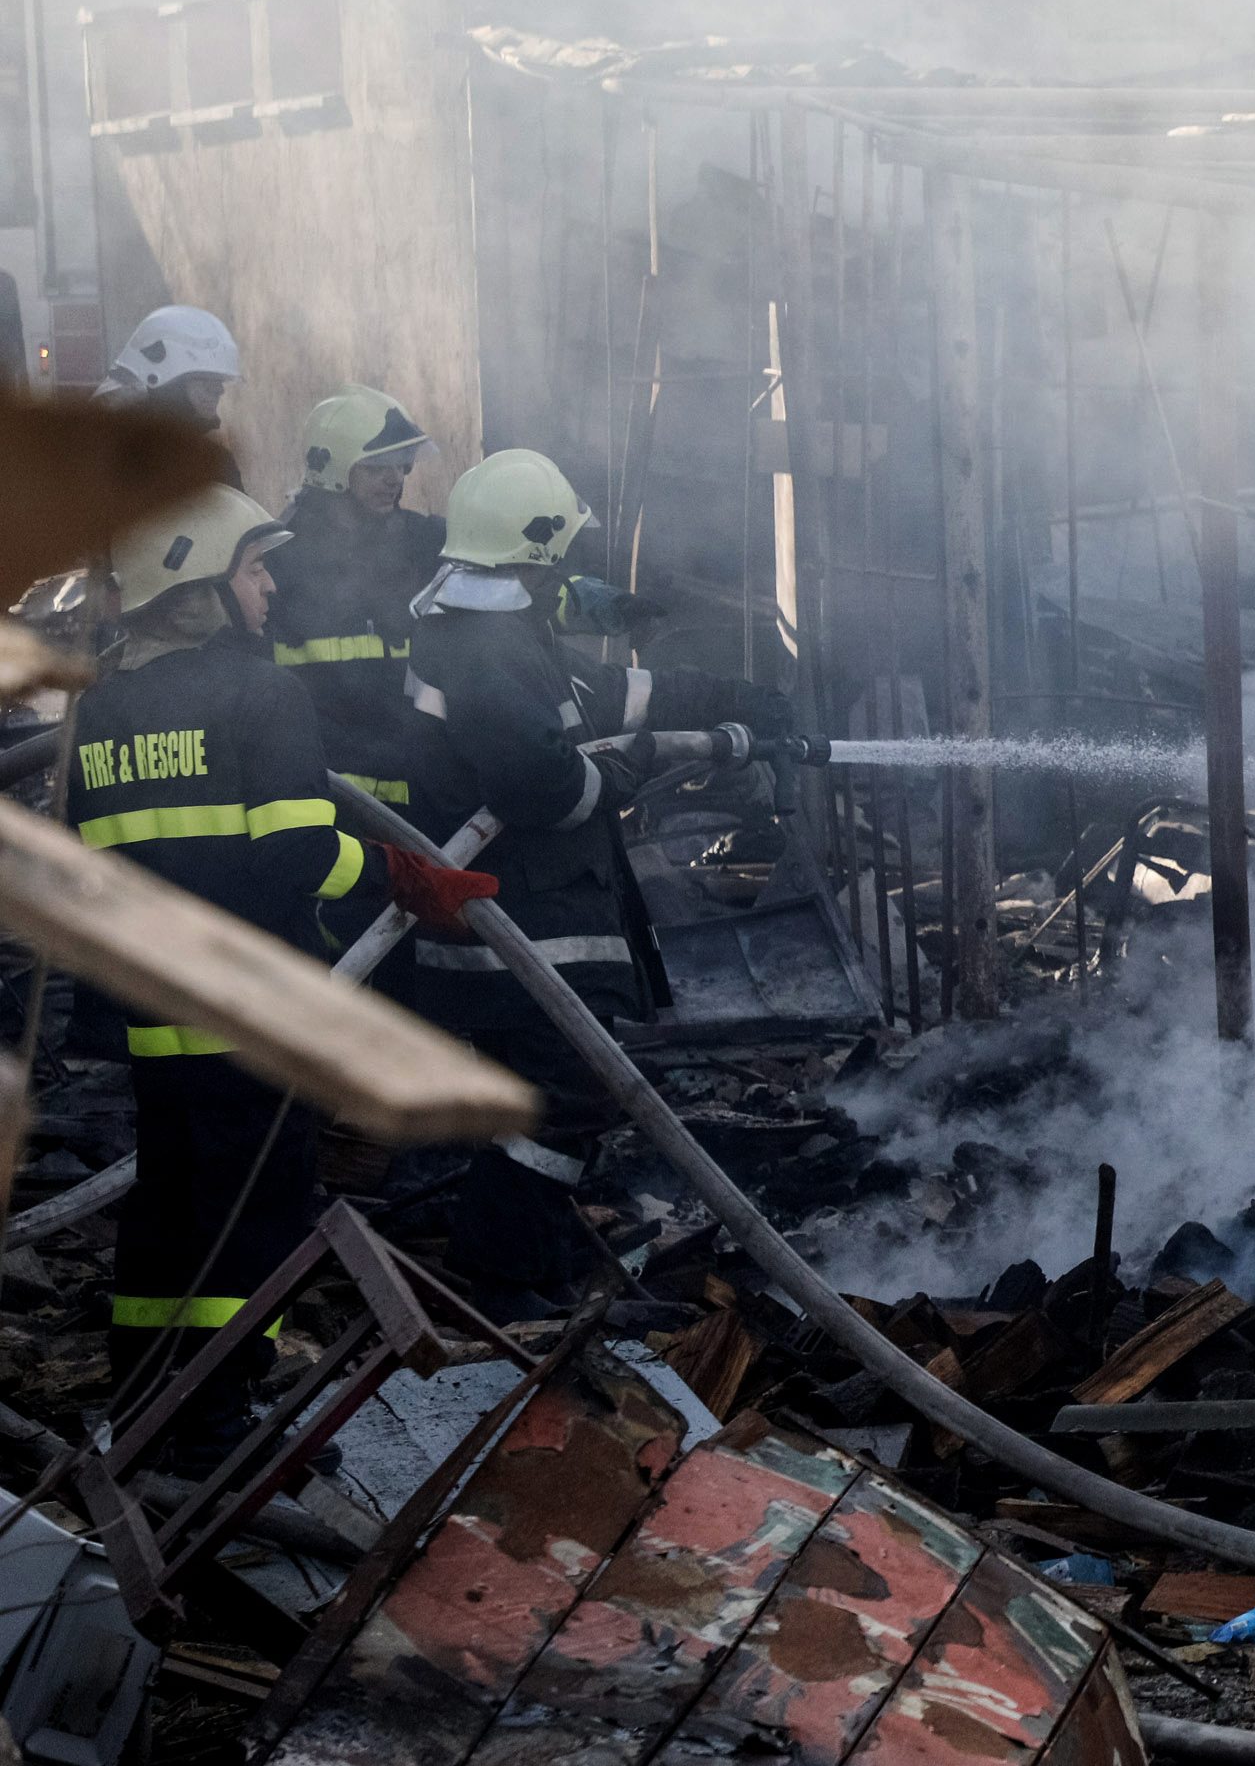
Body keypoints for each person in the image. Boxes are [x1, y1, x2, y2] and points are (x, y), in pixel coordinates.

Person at [67, 486, 484, 1463]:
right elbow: (295, 854)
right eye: (253, 567)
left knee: (169, 1213)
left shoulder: (100, 710)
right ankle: (216, 1423)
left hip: (156, 1013)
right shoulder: (260, 692)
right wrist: (396, 874)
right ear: (199, 584)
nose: (268, 586)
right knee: (256, 1220)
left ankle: (147, 1407)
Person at [399, 449, 792, 1154]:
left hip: (527, 925)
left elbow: (618, 694)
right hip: (525, 925)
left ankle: (515, 1252)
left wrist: (740, 701)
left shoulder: (502, 636)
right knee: (567, 1101)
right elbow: (541, 785)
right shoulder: (486, 649)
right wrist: (622, 771)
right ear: (537, 546)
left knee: (536, 1106)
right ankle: (516, 1261)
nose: (565, 573)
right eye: (559, 555)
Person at [264, 389, 444, 815]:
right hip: (325, 793)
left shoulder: (421, 540)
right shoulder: (277, 557)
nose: (395, 479)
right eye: (377, 467)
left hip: (414, 785)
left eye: (401, 465)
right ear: (334, 470)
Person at [95, 306, 243, 482]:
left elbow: (242, 509)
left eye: (219, 382)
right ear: (169, 383)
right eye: (207, 382)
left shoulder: (207, 460)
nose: (220, 391)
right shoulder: (114, 446)